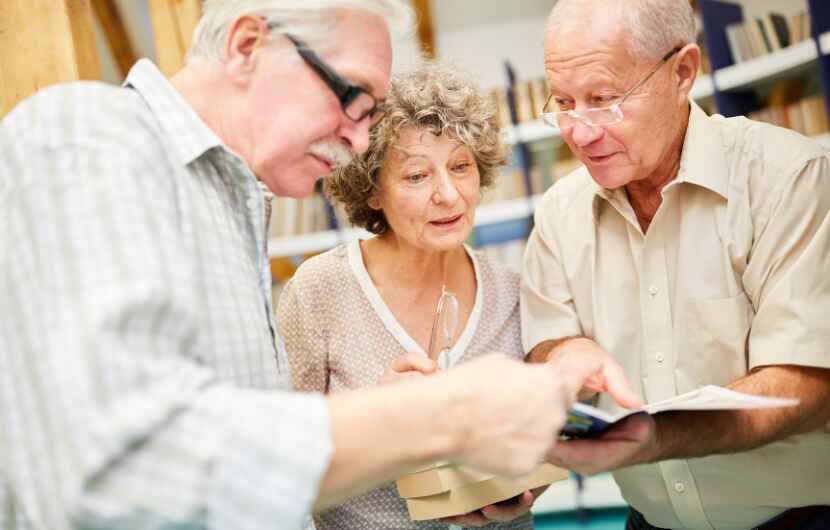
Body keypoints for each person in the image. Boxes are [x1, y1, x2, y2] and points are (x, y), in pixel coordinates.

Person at [0, 2, 639, 530]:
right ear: (248, 44)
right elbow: (119, 471)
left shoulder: (234, 208)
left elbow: (243, 455)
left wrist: (380, 422)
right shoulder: (87, 136)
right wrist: (445, 414)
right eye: (352, 97)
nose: (361, 141)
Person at [280, 62, 639, 530]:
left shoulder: (512, 292)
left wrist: (524, 493)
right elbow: (282, 456)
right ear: (371, 190)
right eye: (416, 176)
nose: (448, 194)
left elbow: (537, 446)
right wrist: (376, 418)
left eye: (460, 167)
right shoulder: (319, 290)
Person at [521, 0, 830, 529]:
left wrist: (653, 436)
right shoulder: (558, 213)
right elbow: (545, 349)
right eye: (563, 102)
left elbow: (808, 386)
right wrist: (563, 353)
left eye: (604, 100)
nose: (579, 132)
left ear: (683, 72)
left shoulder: (791, 178)